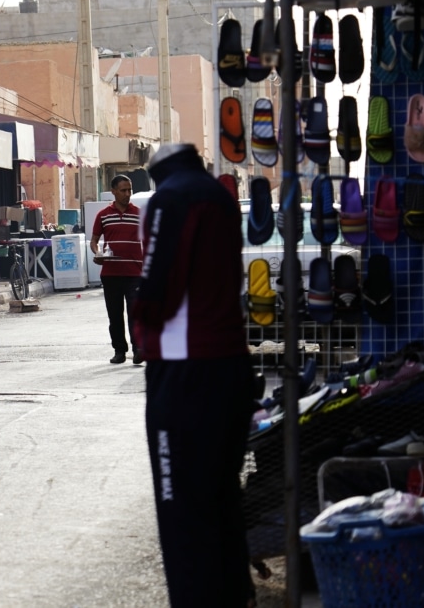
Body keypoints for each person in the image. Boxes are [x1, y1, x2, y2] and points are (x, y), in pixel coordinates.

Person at [131, 144, 255, 607]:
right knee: (221, 499)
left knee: (182, 507)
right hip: (228, 364)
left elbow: (158, 282)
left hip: (185, 371)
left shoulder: (172, 197)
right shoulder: (219, 195)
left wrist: (141, 323)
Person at [89, 175, 144, 365]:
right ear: (113, 191)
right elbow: (94, 241)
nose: (128, 194)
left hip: (135, 273)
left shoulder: (139, 214)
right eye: (123, 190)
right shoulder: (103, 215)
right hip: (111, 274)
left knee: (135, 313)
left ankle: (138, 350)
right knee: (115, 314)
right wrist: (98, 254)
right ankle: (119, 351)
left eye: (130, 190)